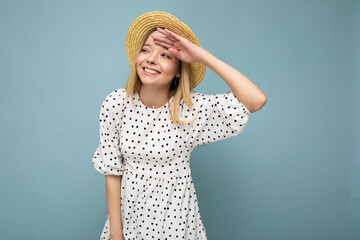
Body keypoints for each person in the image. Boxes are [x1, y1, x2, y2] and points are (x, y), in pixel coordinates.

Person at [92, 11, 266, 240]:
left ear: (178, 70)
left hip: (175, 224)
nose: (151, 59)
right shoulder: (116, 104)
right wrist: (116, 233)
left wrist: (201, 56)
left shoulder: (190, 110)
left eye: (165, 55)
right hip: (128, 223)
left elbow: (255, 100)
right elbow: (112, 171)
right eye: (145, 50)